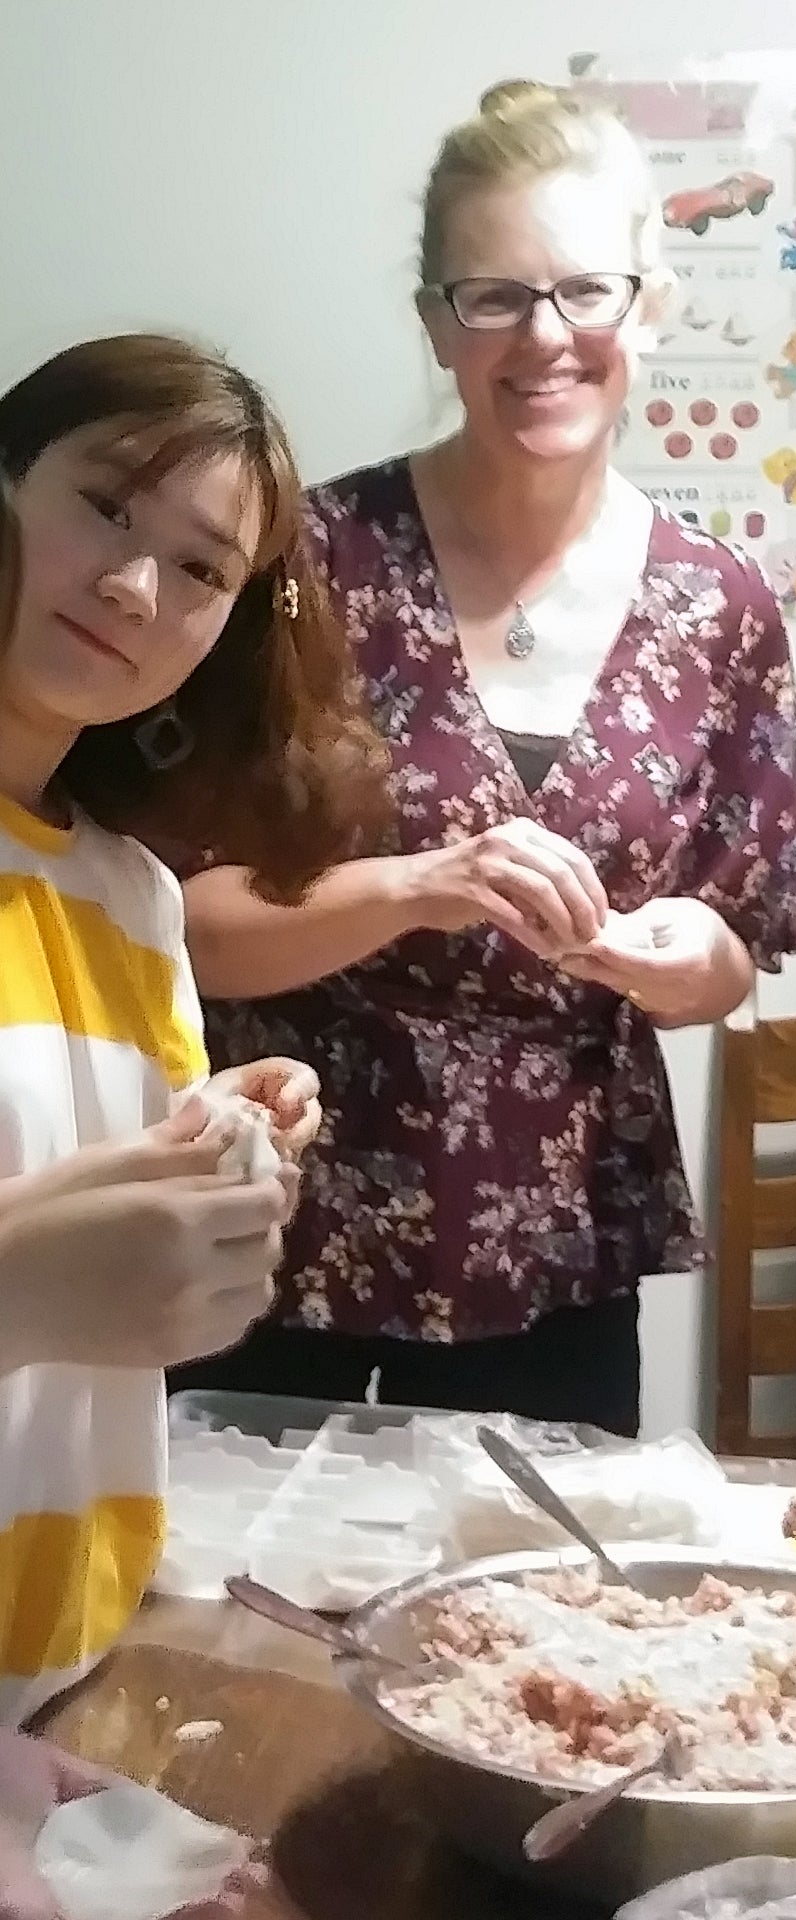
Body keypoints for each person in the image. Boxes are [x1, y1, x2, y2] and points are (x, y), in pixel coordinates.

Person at [171, 81, 796, 1434]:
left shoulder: (721, 607)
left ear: (650, 305)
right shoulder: (305, 564)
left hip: (561, 1243)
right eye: (495, 298)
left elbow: (728, 955)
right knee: (236, 1622)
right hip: (283, 1204)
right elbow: (192, 927)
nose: (546, 338)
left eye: (587, 291)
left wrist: (664, 953)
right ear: (437, 324)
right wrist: (426, 883)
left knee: (527, 1618)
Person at [0, 333, 384, 1913]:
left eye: (202, 570)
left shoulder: (133, 897)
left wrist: (213, 1141)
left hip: (53, 1654)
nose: (137, 592)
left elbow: (97, 1221)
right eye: (104, 507)